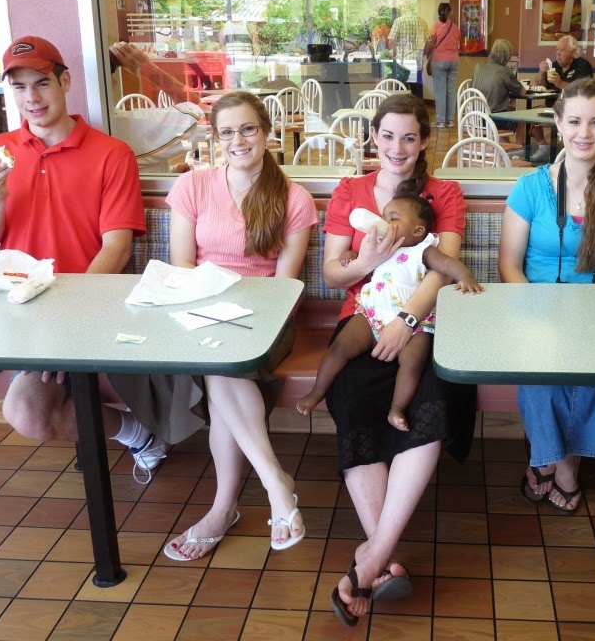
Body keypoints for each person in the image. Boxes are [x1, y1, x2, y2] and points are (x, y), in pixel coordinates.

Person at [0, 36, 166, 481]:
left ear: (65, 82)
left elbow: (116, 248)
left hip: (68, 310)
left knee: (28, 414)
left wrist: (70, 318)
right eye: (20, 87)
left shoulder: (111, 154)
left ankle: (138, 433)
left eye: (42, 83)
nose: (32, 98)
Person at [321, 93, 473, 626]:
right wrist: (366, 260)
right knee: (353, 399)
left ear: (425, 140)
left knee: (433, 400)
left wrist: (406, 319)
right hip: (361, 318)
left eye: (409, 137)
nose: (397, 147)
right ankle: (380, 558)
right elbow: (332, 274)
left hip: (423, 323)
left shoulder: (444, 192)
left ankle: (371, 561)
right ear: (373, 137)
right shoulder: (351, 191)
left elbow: (442, 267)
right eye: (387, 135)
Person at [162, 91, 317, 559]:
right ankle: (274, 484)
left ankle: (224, 509)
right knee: (220, 365)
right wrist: (213, 308)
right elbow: (182, 265)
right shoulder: (193, 186)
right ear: (215, 137)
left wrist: (235, 313)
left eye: (248, 128)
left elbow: (284, 285)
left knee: (221, 365)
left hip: (267, 318)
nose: (238, 140)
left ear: (266, 132)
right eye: (227, 131)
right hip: (200, 309)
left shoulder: (293, 198)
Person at [498, 78, 595, 513]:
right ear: (558, 123)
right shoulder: (530, 188)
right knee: (542, 375)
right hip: (537, 312)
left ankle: (553, 462)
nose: (585, 133)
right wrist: (538, 317)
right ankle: (563, 465)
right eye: (575, 122)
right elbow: (509, 266)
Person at [297, 194, 481, 431]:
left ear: (417, 231)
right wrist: (351, 256)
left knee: (412, 362)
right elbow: (360, 262)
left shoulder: (423, 250)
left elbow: (446, 264)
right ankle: (317, 391)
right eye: (383, 216)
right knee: (339, 347)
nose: (384, 222)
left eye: (393, 218)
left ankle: (397, 408)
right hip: (372, 315)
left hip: (414, 324)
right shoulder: (380, 247)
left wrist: (465, 276)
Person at [532, 35, 594, 163]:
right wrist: (541, 73)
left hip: (575, 111)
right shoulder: (553, 66)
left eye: (562, 50)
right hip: (551, 108)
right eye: (557, 50)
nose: (558, 54)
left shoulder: (582, 66)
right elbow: (541, 85)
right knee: (532, 119)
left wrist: (560, 83)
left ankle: (568, 154)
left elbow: (583, 90)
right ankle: (544, 148)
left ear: (572, 52)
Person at [470, 38, 526, 114]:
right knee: (518, 116)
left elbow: (471, 88)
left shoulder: (478, 67)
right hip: (494, 116)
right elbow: (522, 92)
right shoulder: (505, 71)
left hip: (474, 115)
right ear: (507, 56)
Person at [426, 2, 458, 128]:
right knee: (451, 91)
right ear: (450, 12)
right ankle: (450, 121)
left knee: (440, 91)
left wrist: (426, 55)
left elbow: (430, 45)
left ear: (438, 13)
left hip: (439, 60)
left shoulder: (434, 27)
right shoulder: (455, 28)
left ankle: (440, 120)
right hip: (454, 61)